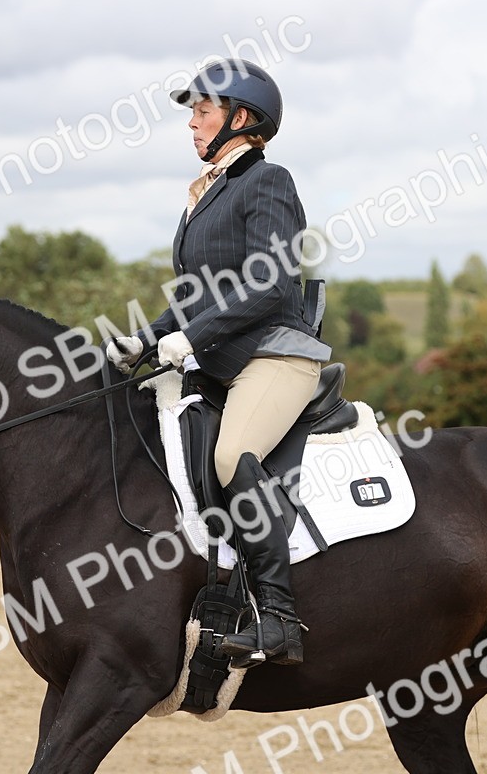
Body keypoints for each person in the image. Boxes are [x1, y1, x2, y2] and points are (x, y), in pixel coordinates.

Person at [108, 59, 332, 666]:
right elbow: (194, 295)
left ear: (243, 118)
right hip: (217, 362)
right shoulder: (206, 195)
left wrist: (192, 337)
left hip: (274, 357)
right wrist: (148, 339)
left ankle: (280, 616)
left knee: (233, 455)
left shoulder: (268, 181)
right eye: (193, 113)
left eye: (203, 110)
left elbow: (270, 283)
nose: (193, 123)